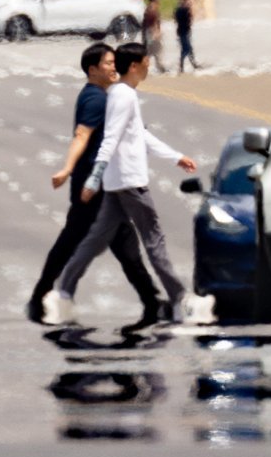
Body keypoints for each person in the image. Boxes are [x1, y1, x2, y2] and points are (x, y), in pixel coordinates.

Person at [52, 42, 216, 324]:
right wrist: (94, 177)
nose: (149, 66)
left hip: (119, 182)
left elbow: (139, 135)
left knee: (95, 239)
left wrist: (175, 157)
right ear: (134, 67)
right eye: (145, 62)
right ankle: (180, 300)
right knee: (155, 240)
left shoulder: (121, 94)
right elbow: (111, 137)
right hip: (129, 181)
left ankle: (63, 292)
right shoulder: (123, 96)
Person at [27, 43, 161, 326]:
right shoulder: (95, 99)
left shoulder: (102, 96)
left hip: (102, 185)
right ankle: (40, 296)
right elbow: (81, 135)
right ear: (93, 70)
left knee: (120, 243)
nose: (114, 68)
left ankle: (151, 300)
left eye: (115, 63)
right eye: (109, 63)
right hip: (94, 187)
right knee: (76, 240)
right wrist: (67, 168)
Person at [174, 0, 200, 73]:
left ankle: (192, 65)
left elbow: (175, 19)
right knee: (187, 49)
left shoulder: (178, 9)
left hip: (181, 31)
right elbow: (192, 17)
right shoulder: (185, 9)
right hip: (185, 31)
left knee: (187, 49)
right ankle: (183, 66)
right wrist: (191, 6)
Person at [141, 0, 167, 73]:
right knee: (154, 50)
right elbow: (152, 23)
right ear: (154, 0)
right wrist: (156, 32)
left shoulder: (149, 8)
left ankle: (159, 67)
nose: (159, 1)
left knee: (152, 51)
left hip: (148, 32)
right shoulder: (152, 9)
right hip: (151, 32)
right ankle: (159, 67)